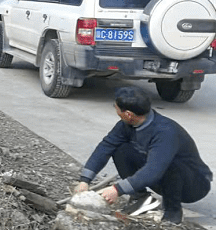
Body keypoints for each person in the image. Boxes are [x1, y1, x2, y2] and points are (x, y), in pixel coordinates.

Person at [73, 86, 212, 223]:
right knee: (120, 148)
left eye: (115, 107)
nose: (115, 110)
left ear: (128, 114)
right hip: (162, 178)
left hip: (194, 185)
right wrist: (85, 180)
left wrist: (117, 189)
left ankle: (173, 212)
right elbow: (106, 146)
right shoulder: (126, 125)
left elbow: (153, 171)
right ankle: (141, 199)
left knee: (170, 164)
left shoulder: (165, 132)